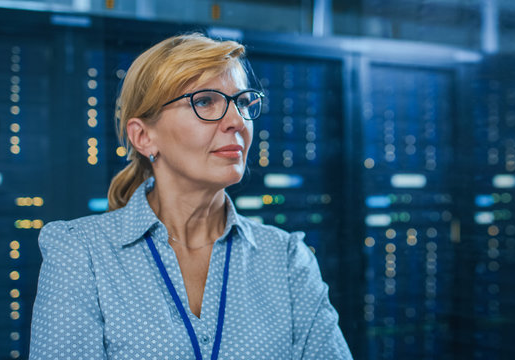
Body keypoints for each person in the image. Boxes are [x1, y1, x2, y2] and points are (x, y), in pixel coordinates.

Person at [29, 33, 352, 360]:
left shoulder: (285, 259)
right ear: (143, 137)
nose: (237, 121)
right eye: (204, 101)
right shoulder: (82, 253)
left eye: (242, 102)